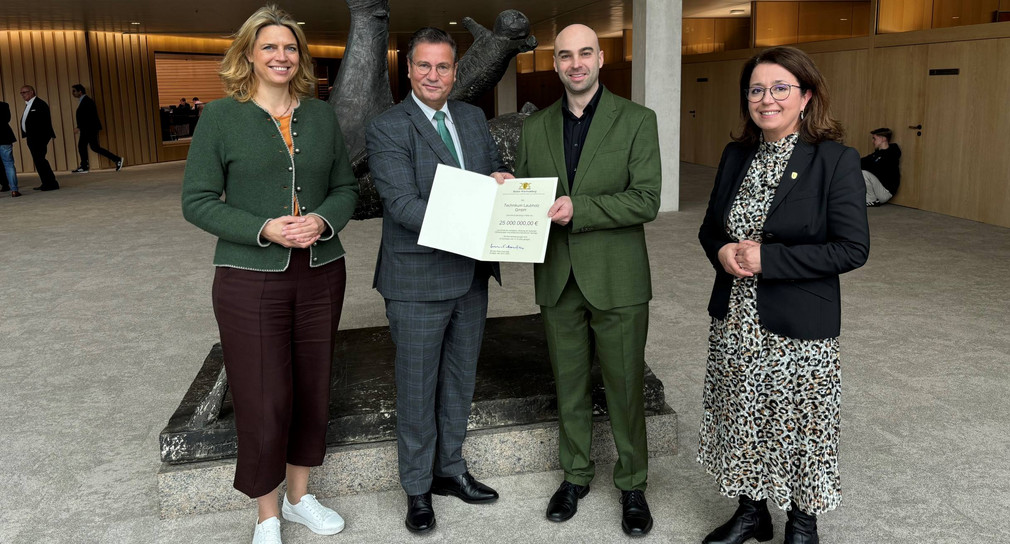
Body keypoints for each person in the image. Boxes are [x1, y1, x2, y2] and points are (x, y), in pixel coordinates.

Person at [181, 6, 359, 544]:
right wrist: (264, 228)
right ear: (249, 56)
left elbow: (347, 188)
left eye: (290, 48)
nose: (282, 57)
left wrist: (324, 220)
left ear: (300, 57)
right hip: (248, 277)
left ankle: (302, 498)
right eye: (270, 48)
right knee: (263, 394)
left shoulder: (323, 116)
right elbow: (197, 201)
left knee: (311, 385)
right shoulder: (219, 117)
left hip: (322, 271)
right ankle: (267, 515)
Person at [697, 46, 869, 544]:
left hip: (800, 321)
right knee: (743, 411)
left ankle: (801, 522)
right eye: (756, 90)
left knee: (799, 421)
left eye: (779, 88)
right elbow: (711, 228)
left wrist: (770, 261)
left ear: (806, 95)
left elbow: (853, 249)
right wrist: (724, 250)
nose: (766, 99)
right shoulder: (736, 155)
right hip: (737, 318)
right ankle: (751, 514)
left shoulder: (835, 160)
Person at [513, 23, 661, 537]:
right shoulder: (533, 130)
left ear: (600, 58)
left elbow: (646, 199)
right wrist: (512, 191)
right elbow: (532, 198)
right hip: (557, 276)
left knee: (624, 388)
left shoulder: (638, 120)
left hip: (616, 278)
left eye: (584, 54)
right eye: (564, 56)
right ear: (555, 65)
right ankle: (575, 475)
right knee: (568, 385)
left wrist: (582, 208)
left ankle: (633, 483)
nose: (575, 64)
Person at [365, 26, 512, 535]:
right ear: (409, 70)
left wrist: (502, 186)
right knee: (416, 387)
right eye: (424, 66)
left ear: (455, 71)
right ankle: (417, 488)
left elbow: (489, 175)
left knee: (459, 381)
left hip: (470, 275)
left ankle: (450, 470)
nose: (433, 75)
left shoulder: (472, 118)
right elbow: (402, 205)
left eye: (443, 66)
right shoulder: (388, 127)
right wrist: (475, 211)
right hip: (416, 279)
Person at [70, 84, 124, 173]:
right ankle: (116, 159)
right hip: (88, 128)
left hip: (89, 129)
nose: (73, 93)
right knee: (93, 147)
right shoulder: (84, 101)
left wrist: (79, 127)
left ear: (80, 91)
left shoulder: (87, 101)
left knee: (83, 146)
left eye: (74, 91)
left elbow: (89, 117)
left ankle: (84, 166)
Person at [19, 85, 59, 191]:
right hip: (32, 137)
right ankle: (46, 182)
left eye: (24, 92)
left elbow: (44, 122)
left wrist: (41, 137)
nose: (22, 95)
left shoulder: (40, 104)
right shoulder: (29, 104)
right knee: (38, 160)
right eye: (21, 93)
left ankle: (51, 183)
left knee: (40, 160)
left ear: (32, 92)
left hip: (39, 137)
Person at [861, 127, 901, 206]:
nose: (873, 141)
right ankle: (869, 198)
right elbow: (862, 162)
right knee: (856, 170)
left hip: (885, 192)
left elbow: (878, 168)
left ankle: (871, 200)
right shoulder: (876, 154)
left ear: (883, 139)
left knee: (863, 173)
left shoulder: (891, 154)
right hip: (878, 189)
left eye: (874, 139)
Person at [1, 100, 20, 197]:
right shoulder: (4, 105)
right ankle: (14, 190)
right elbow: (7, 119)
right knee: (9, 164)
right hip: (4, 137)